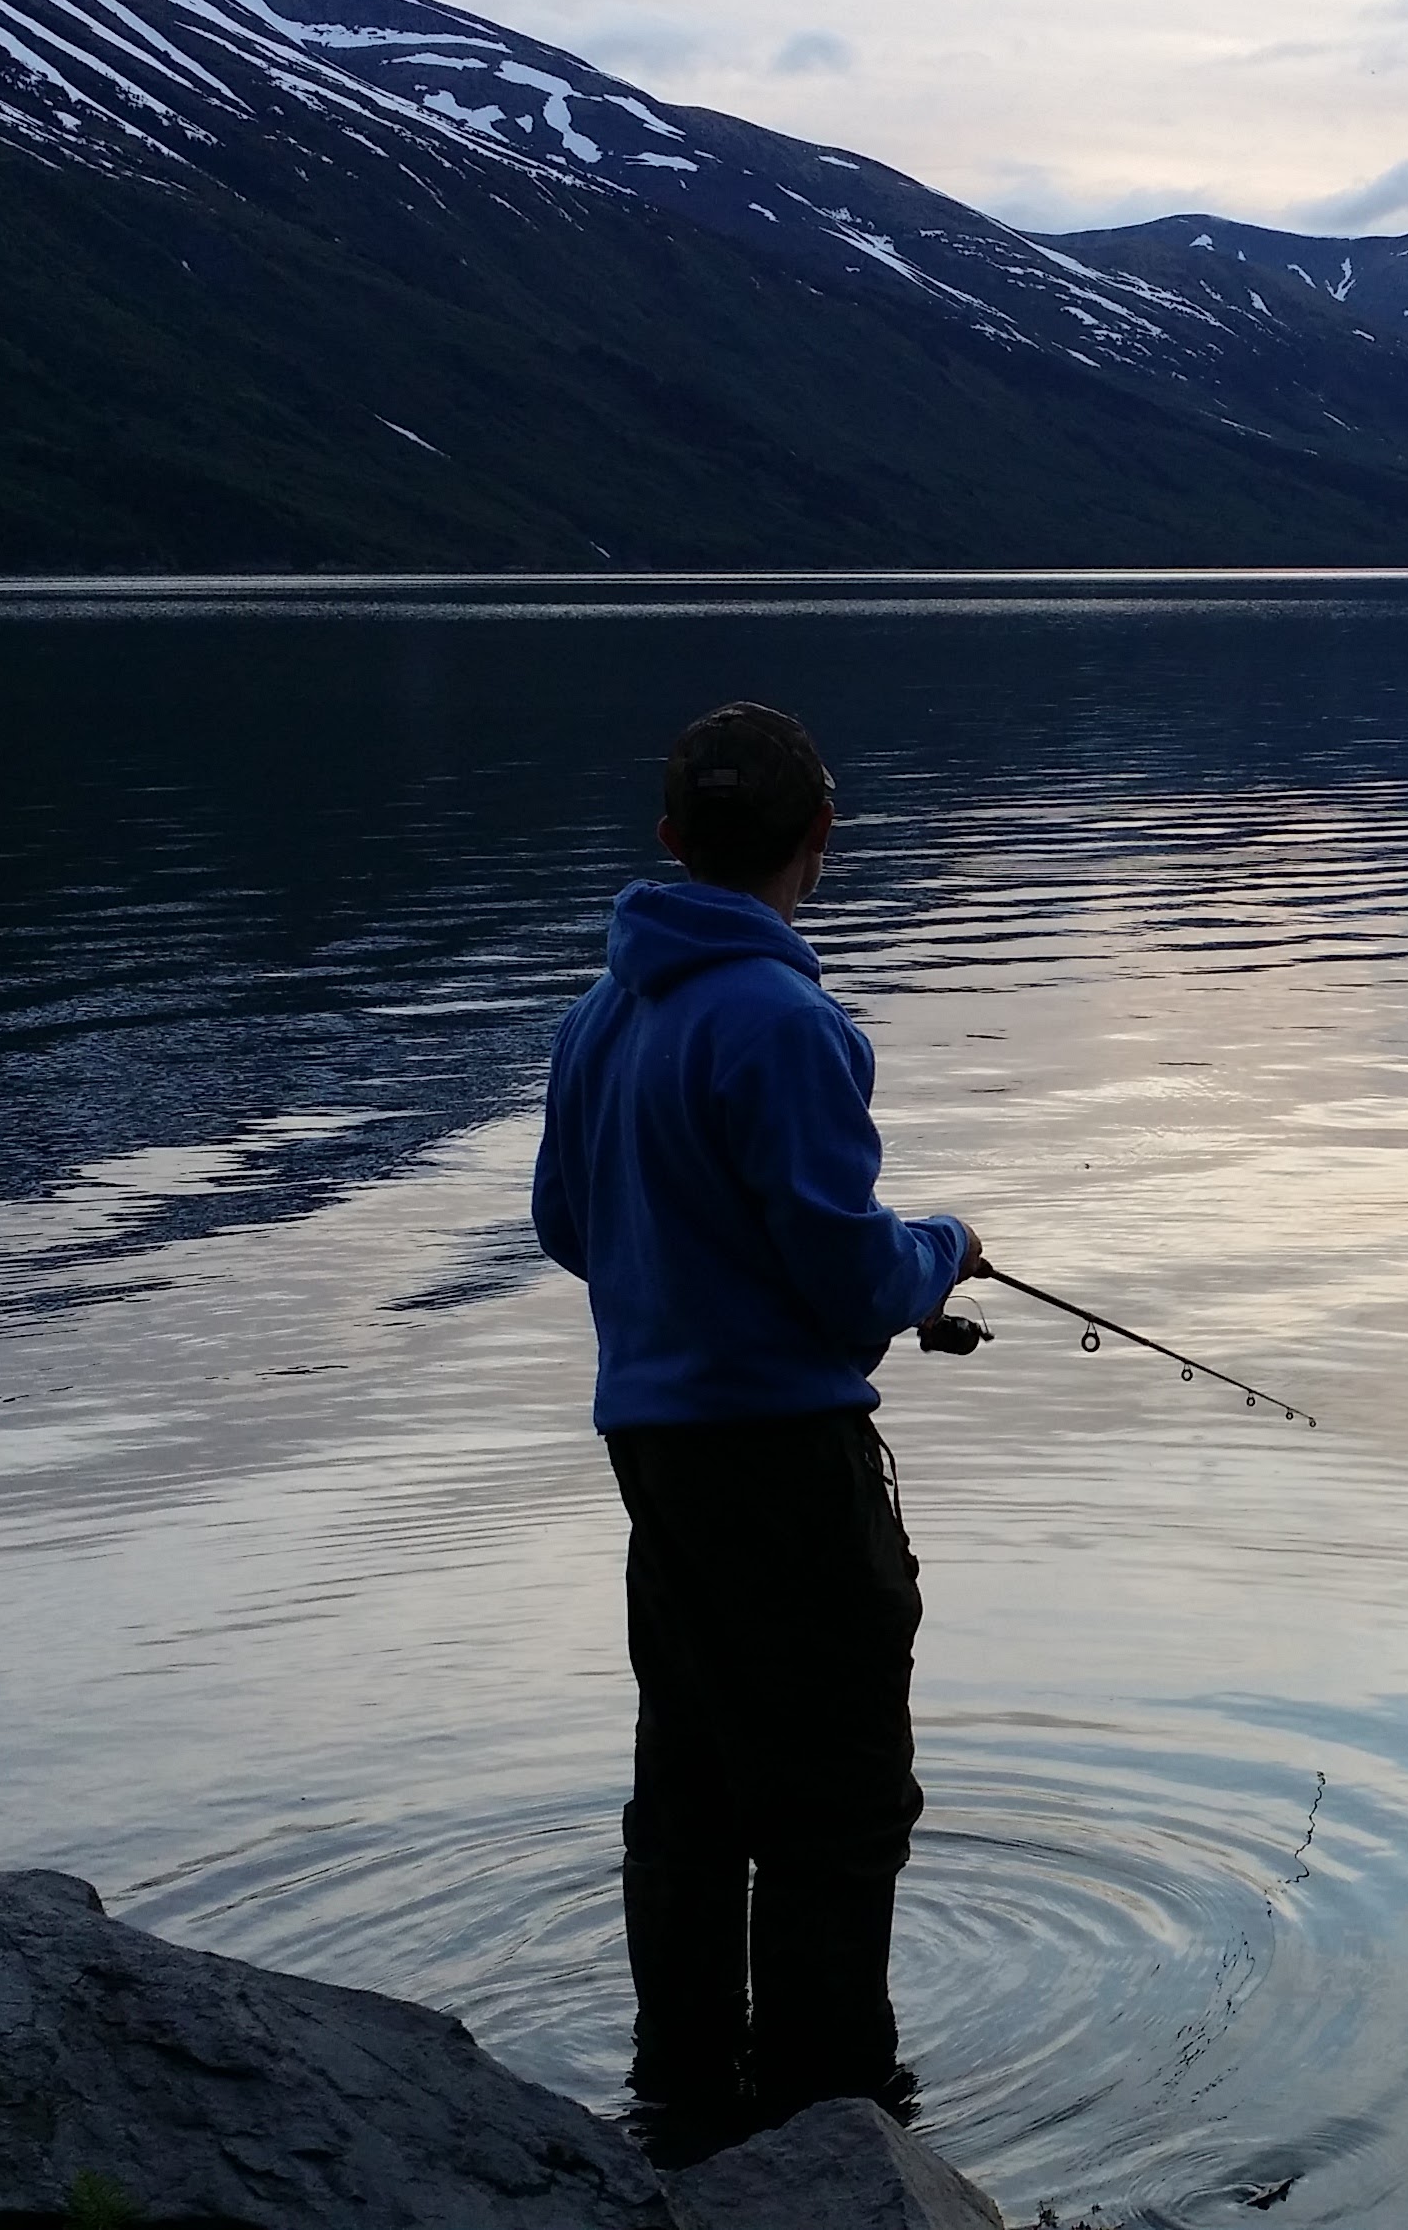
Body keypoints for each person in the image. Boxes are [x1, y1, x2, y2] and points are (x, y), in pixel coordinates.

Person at [530, 700, 981, 2158]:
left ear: (670, 841)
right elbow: (849, 1278)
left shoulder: (601, 1014)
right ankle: (834, 2112)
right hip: (785, 1461)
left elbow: (564, 1225)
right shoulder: (790, 1022)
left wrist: (688, 1280)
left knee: (693, 1773)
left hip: (653, 1452)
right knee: (839, 1799)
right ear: (820, 845)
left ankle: (680, 2090)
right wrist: (945, 1247)